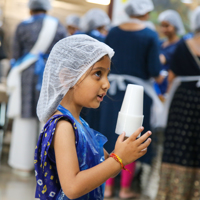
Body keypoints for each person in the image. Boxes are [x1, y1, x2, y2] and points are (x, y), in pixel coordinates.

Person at [34, 34, 152, 200]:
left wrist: (124, 152)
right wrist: (118, 159)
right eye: (98, 74)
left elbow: (108, 168)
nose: (107, 84)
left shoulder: (81, 124)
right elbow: (72, 187)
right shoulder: (63, 126)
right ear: (67, 76)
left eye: (107, 75)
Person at [100, 0, 163, 198]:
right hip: (138, 92)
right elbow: (154, 69)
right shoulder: (150, 35)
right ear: (145, 13)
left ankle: (107, 186)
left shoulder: (113, 32)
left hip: (111, 91)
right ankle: (125, 188)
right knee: (132, 137)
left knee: (110, 134)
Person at [7, 0, 67, 176]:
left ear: (30, 8)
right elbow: (64, 53)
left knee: (25, 117)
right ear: (47, 8)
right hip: (49, 75)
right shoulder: (57, 26)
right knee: (47, 118)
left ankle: (22, 165)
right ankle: (45, 167)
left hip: (25, 75)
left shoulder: (22, 26)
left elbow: (16, 54)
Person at [156, 7, 200, 200]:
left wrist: (166, 96)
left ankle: (172, 193)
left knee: (177, 144)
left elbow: (171, 76)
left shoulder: (183, 45)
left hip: (182, 101)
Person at [155, 10, 185, 96]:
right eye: (162, 26)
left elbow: (161, 60)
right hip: (157, 84)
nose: (164, 29)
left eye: (167, 26)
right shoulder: (161, 43)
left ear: (175, 26)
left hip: (168, 85)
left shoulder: (180, 45)